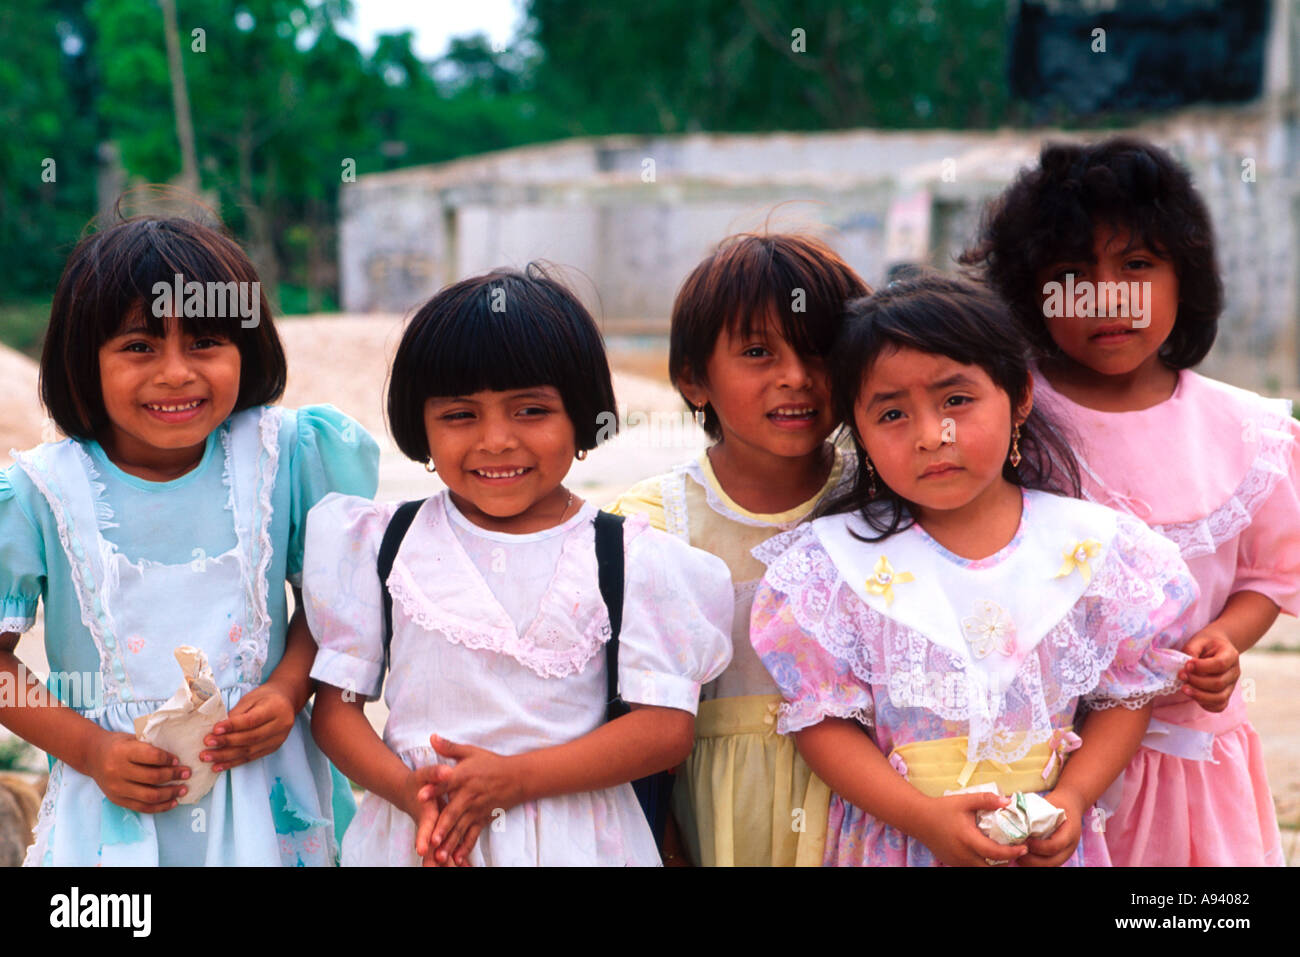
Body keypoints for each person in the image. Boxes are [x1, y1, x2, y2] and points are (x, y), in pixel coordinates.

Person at [750, 274, 1197, 866]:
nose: (932, 436)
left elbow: (1124, 697)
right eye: (891, 414)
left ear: (1020, 398)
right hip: (902, 839)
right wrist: (921, 818)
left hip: (1047, 845)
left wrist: (1071, 796)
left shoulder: (1093, 548)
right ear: (857, 429)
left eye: (956, 400)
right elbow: (822, 724)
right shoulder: (833, 565)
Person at [305, 265, 733, 866]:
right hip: (422, 840)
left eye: (530, 410)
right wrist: (410, 792)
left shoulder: (631, 558)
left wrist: (516, 780)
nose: (497, 440)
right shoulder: (383, 543)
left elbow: (663, 731)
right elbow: (337, 711)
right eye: (460, 415)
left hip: (578, 841)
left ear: (582, 418)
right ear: (420, 426)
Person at [962, 136, 1300, 865]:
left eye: (1138, 267)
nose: (1108, 296)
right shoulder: (1012, 418)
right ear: (1031, 293)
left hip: (1192, 759)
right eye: (1072, 274)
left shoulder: (1248, 431)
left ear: (1187, 279)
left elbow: (1268, 575)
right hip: (1048, 758)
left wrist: (1226, 640)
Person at [0, 215, 377, 865]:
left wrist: (289, 689)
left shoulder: (287, 453)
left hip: (274, 801)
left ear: (248, 348)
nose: (175, 373)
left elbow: (335, 603)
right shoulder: (40, 492)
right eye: (139, 346)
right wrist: (91, 749)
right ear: (82, 360)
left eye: (205, 341)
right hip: (118, 807)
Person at [608, 231, 868, 866]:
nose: (797, 378)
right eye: (758, 352)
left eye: (820, 351)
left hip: (867, 808)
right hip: (717, 812)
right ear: (695, 379)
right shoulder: (653, 526)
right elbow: (624, 711)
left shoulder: (883, 506)